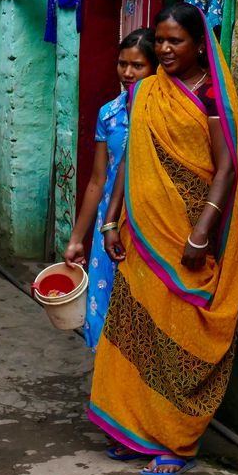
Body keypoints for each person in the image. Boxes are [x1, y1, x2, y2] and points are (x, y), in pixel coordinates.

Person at [92, 3, 238, 475]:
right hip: (141, 236)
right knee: (135, 330)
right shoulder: (145, 93)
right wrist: (111, 222)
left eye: (174, 41)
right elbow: (130, 165)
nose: (163, 49)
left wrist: (201, 232)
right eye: (158, 40)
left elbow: (226, 167)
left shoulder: (211, 97)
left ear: (199, 44)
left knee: (180, 335)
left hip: (185, 238)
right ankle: (136, 428)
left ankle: (177, 441)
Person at [63, 28, 157, 353]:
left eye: (138, 65)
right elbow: (97, 180)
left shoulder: (166, 113)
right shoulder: (110, 114)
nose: (127, 72)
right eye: (122, 64)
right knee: (104, 310)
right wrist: (77, 239)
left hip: (150, 221)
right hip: (110, 225)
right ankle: (108, 395)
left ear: (156, 68)